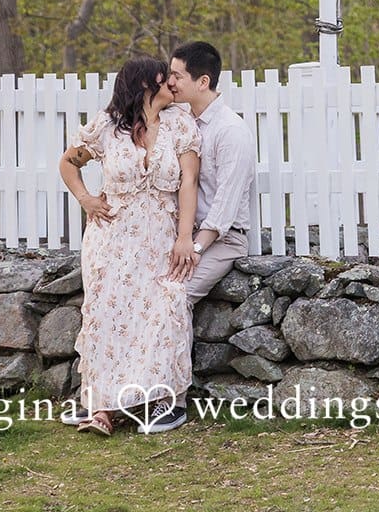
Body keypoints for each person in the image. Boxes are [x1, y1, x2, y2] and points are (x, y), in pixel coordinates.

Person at [58, 55, 200, 435]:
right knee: (108, 316)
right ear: (143, 85)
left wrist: (185, 237)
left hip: (160, 239)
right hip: (112, 241)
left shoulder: (180, 125)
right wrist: (86, 198)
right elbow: (68, 163)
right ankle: (101, 408)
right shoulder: (107, 127)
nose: (172, 84)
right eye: (164, 79)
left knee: (159, 310)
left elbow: (188, 184)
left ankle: (158, 400)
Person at [166, 41, 257, 307]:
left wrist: (194, 249)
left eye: (177, 76)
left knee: (174, 297)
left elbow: (224, 207)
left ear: (203, 81)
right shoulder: (182, 122)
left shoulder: (230, 131)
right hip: (183, 235)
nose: (170, 82)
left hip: (222, 240)